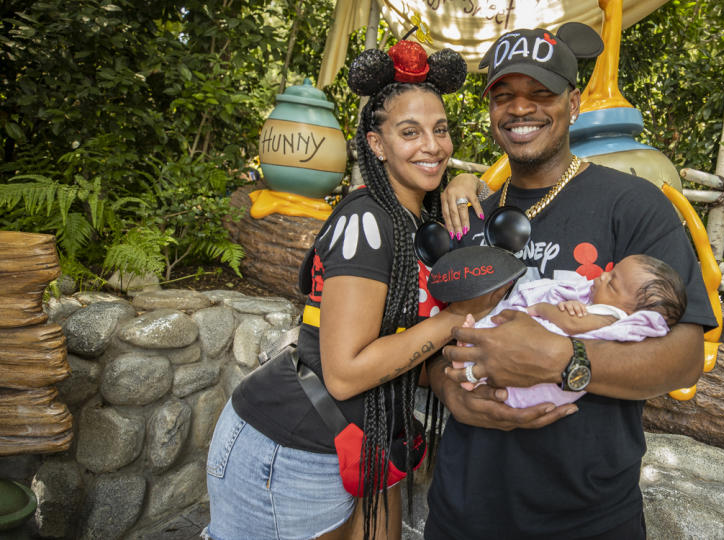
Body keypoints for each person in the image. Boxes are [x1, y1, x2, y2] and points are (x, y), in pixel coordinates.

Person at [423, 23, 719, 539]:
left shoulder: (634, 205)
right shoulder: (470, 221)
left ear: (574, 102)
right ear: (491, 109)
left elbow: (684, 358)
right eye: (504, 95)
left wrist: (565, 359)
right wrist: (447, 391)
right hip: (462, 509)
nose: (520, 109)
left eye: (541, 93)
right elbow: (427, 339)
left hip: (588, 517)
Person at [203, 42, 507, 540]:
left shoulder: (420, 216)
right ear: (377, 144)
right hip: (291, 447)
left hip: (368, 436)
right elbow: (344, 374)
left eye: (441, 129)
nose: (432, 145)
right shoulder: (367, 220)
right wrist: (456, 319)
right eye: (409, 132)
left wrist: (466, 180)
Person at [455, 253, 687, 409]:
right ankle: (473, 374)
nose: (602, 276)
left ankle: (473, 372)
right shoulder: (603, 308)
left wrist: (543, 308)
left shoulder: (614, 315)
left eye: (612, 283)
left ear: (633, 311)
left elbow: (572, 325)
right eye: (611, 271)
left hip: (554, 378)